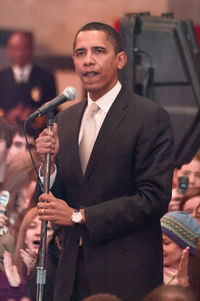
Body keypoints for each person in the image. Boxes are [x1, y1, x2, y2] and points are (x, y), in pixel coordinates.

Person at [35, 22, 174, 301]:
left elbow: (153, 198)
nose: (88, 60)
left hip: (125, 271)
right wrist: (46, 166)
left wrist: (79, 216)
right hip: (71, 269)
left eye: (98, 51)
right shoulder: (65, 120)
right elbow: (55, 201)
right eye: (80, 53)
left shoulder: (149, 117)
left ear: (120, 59)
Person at [0, 31, 57, 125]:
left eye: (24, 48)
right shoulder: (1, 76)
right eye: (15, 49)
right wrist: (7, 116)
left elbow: (54, 109)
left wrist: (36, 114)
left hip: (36, 133)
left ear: (31, 50)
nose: (19, 53)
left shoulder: (46, 77)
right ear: (8, 51)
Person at [0, 207, 53, 301]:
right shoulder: (7, 276)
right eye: (32, 226)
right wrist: (15, 287)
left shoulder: (60, 276)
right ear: (24, 237)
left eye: (47, 228)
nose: (39, 232)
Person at [161, 211, 200, 299]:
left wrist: (183, 283)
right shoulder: (148, 269)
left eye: (166, 243)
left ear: (185, 247)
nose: (159, 247)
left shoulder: (196, 276)